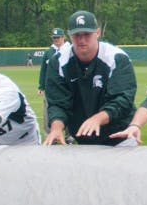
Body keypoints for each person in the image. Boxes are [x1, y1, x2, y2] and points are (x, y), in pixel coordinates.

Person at [43, 10, 137, 146]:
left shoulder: (116, 58)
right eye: (76, 35)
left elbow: (122, 100)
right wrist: (57, 128)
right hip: (83, 138)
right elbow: (58, 103)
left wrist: (98, 119)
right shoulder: (58, 62)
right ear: (69, 35)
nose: (82, 40)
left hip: (119, 136)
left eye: (87, 34)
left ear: (97, 33)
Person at [37, 27, 67, 132]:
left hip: (66, 86)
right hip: (51, 87)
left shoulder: (69, 50)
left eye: (58, 38)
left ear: (64, 37)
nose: (56, 40)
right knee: (49, 109)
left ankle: (70, 135)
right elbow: (43, 70)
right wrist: (41, 86)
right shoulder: (48, 52)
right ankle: (50, 134)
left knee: (69, 109)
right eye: (54, 38)